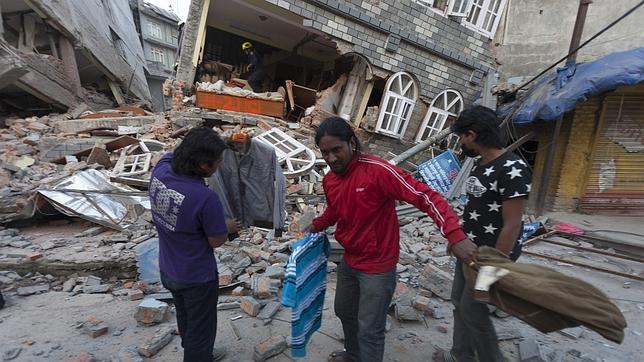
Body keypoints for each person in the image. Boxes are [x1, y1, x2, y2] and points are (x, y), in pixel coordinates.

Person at [308, 117, 477, 362]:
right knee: (344, 311)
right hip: (350, 259)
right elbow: (335, 209)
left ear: (352, 144)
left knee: (370, 328)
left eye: (337, 150)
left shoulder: (378, 171)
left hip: (378, 265)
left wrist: (454, 233)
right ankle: (353, 354)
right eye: (325, 153)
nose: (332, 158)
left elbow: (425, 196)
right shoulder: (330, 179)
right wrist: (318, 224)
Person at [435, 106, 532, 362]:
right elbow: (475, 207)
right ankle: (461, 355)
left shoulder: (513, 168)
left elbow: (512, 225)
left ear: (472, 134)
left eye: (461, 137)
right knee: (458, 300)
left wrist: (494, 265)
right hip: (468, 250)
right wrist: (457, 239)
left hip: (492, 256)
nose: (460, 143)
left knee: (473, 309)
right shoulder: (480, 164)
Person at [148, 127, 239, 362]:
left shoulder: (162, 169)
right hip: (197, 277)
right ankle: (200, 355)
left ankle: (200, 353)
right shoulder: (204, 198)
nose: (219, 166)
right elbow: (216, 240)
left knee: (187, 319)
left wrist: (217, 141)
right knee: (202, 330)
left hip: (169, 270)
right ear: (203, 166)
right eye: (217, 162)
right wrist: (227, 227)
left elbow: (172, 152)